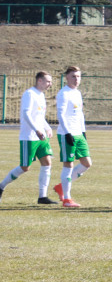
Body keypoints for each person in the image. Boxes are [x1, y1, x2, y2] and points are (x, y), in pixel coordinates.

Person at [0, 71, 55, 205]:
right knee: (25, 167)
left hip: (41, 137)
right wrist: (36, 129)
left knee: (47, 162)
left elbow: (40, 116)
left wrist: (47, 127)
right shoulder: (29, 94)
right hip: (29, 137)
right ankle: (1, 186)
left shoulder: (41, 95)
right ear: (39, 81)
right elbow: (26, 114)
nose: (50, 84)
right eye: (48, 81)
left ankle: (42, 196)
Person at [54, 66, 91, 208]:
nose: (76, 79)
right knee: (68, 164)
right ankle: (67, 199)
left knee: (87, 163)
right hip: (66, 133)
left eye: (78, 76)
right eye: (73, 76)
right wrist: (68, 132)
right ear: (67, 78)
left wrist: (83, 131)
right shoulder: (64, 93)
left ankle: (60, 187)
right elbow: (61, 115)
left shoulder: (77, 93)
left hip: (78, 133)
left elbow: (80, 114)